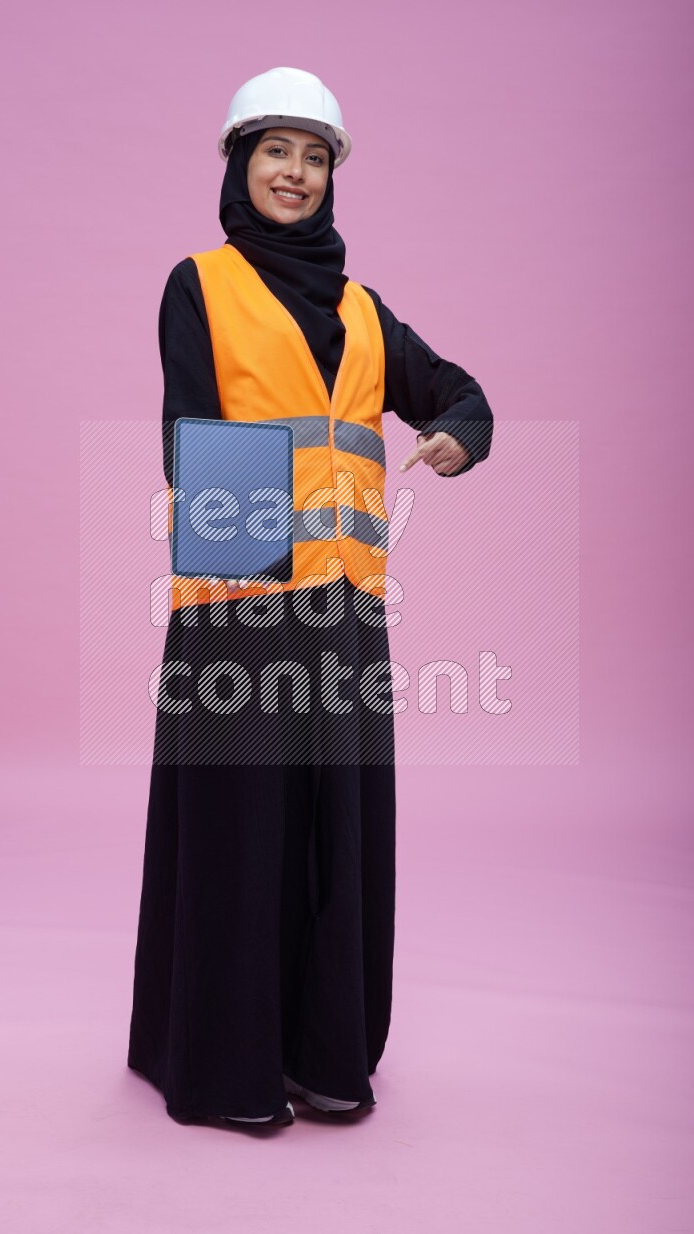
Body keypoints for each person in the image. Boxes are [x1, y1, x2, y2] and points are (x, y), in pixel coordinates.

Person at [127, 67, 494, 1129]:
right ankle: (225, 1067)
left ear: (333, 175)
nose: (294, 172)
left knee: (342, 829)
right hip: (238, 608)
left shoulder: (365, 311)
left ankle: (328, 1054)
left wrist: (456, 436)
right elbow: (187, 435)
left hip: (347, 615)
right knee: (244, 834)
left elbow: (458, 394)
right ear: (239, 162)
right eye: (275, 150)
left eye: (315, 154)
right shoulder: (198, 283)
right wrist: (263, 583)